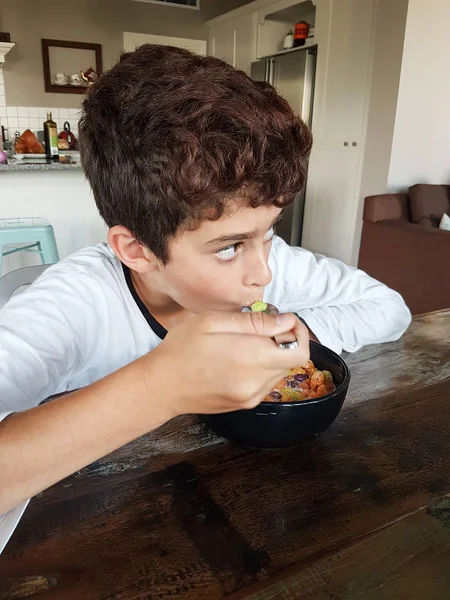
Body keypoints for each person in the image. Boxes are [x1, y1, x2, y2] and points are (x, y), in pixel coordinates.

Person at [0, 45, 411, 523]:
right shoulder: (71, 306)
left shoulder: (268, 262)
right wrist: (162, 386)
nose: (265, 273)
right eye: (229, 247)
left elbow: (390, 308)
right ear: (138, 251)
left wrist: (296, 331)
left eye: (271, 230)